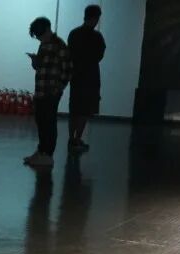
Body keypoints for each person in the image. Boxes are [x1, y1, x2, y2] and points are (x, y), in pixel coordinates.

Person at [24, 17, 71, 168]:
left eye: (39, 35)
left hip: (51, 92)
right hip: (41, 90)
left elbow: (68, 69)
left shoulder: (59, 46)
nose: (39, 38)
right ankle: (41, 151)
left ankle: (48, 155)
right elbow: (40, 67)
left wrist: (59, 88)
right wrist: (35, 61)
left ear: (47, 30)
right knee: (41, 121)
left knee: (49, 123)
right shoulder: (44, 45)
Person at [67, 5, 105, 153]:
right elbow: (99, 56)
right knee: (85, 110)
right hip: (91, 76)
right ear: (95, 18)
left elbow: (70, 54)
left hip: (76, 76)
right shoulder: (97, 37)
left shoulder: (74, 34)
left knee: (74, 108)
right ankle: (77, 139)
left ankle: (71, 139)